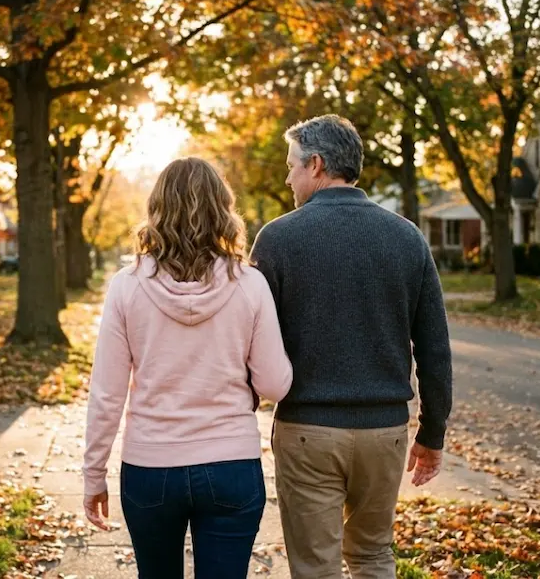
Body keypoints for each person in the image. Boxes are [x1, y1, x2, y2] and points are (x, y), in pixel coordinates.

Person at [250, 114, 453, 578]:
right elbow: (435, 348)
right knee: (373, 556)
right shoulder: (407, 238)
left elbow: (251, 340)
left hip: (307, 430)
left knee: (316, 567)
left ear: (316, 165)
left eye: (291, 166)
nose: (287, 177)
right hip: (385, 433)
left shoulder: (277, 239)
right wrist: (432, 431)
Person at [83, 157, 293, 579]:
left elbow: (107, 393)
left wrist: (93, 474)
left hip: (150, 467)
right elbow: (275, 384)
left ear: (157, 209)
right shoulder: (249, 284)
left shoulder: (127, 286)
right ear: (223, 208)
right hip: (231, 463)